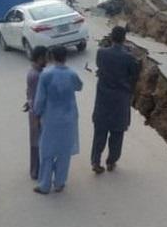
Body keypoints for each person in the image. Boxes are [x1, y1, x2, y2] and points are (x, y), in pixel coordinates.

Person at [91, 26, 140, 174]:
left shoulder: (101, 53)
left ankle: (95, 161)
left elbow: (100, 68)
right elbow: (135, 77)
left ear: (111, 38)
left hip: (103, 99)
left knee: (100, 132)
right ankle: (111, 161)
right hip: (120, 101)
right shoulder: (130, 58)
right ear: (125, 39)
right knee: (117, 134)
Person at [33, 46, 83, 194]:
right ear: (65, 57)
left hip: (51, 119)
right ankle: (60, 182)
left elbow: (40, 100)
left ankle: (44, 184)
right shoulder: (72, 74)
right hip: (69, 118)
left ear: (52, 57)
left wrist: (36, 114)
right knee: (64, 152)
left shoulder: (46, 75)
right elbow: (79, 87)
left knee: (47, 152)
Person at [24, 46, 48, 180]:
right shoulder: (38, 75)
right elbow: (39, 97)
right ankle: (37, 171)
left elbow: (29, 93)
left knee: (35, 141)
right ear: (40, 58)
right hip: (37, 114)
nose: (47, 61)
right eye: (45, 58)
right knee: (38, 143)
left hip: (33, 110)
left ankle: (35, 170)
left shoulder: (32, 71)